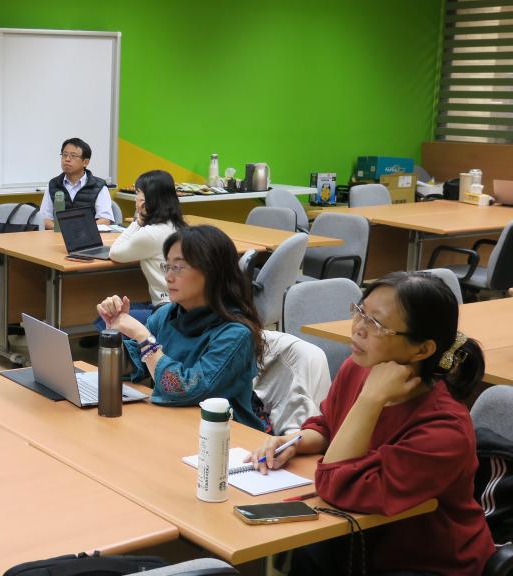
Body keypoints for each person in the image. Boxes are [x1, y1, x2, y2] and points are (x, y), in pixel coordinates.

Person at [248, 272, 494, 576]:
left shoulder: (445, 430)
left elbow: (336, 487)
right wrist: (295, 441)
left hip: (427, 563)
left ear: (422, 349)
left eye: (376, 323)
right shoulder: (358, 368)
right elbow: (329, 425)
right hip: (359, 542)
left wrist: (369, 401)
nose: (358, 328)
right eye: (360, 311)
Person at [97, 225, 269, 431]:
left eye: (179, 267)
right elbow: (132, 367)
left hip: (227, 437)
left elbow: (184, 389)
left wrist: (144, 338)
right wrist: (114, 334)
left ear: (212, 272)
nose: (168, 277)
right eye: (167, 266)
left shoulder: (236, 334)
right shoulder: (166, 314)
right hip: (174, 426)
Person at [106, 169, 187, 323]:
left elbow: (115, 253)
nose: (135, 198)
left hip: (167, 311)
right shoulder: (178, 226)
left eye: (138, 193)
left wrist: (138, 221)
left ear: (148, 200)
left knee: (106, 316)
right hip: (181, 307)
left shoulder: (150, 234)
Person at [41, 137, 114, 230]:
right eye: (64, 155)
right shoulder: (53, 184)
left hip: (88, 235)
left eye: (73, 156)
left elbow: (105, 219)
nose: (67, 159)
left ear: (85, 162)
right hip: (59, 235)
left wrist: (79, 230)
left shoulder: (99, 186)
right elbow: (44, 218)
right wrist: (62, 230)